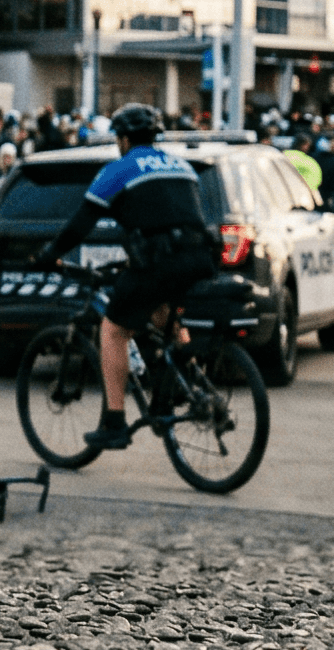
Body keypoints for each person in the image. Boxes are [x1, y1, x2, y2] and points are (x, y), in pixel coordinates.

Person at [34, 104, 217, 452]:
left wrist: (50, 254)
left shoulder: (119, 169)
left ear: (123, 138)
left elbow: (82, 222)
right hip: (197, 257)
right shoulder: (182, 166)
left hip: (159, 261)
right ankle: (190, 388)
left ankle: (114, 422)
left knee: (113, 328)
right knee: (166, 317)